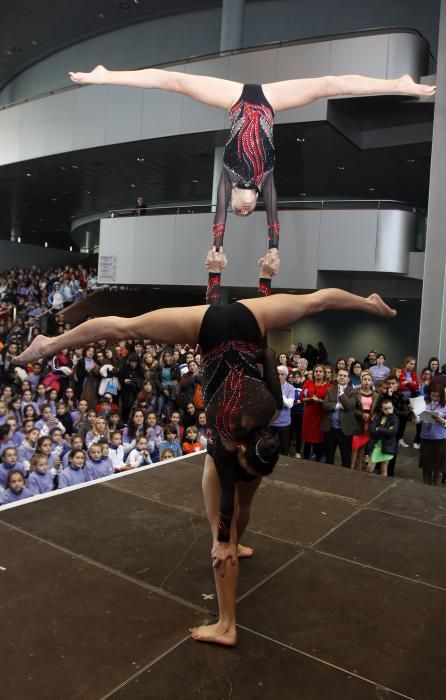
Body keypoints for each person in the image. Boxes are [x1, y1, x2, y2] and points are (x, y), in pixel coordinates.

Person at [14, 250, 396, 647]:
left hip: (251, 318)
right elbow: (227, 493)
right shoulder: (225, 441)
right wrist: (221, 540)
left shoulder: (264, 425)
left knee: (315, 301)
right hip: (214, 327)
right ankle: (227, 624)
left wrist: (258, 284)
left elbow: (268, 348)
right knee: (127, 328)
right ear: (242, 452)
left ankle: (365, 303)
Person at [69, 65, 435, 264]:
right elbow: (274, 216)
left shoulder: (228, 178)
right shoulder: (267, 178)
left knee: (176, 81)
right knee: (328, 83)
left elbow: (218, 218)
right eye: (250, 212)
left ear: (231, 202)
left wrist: (218, 246)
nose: (243, 211)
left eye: (236, 212)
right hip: (272, 102)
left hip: (234, 100)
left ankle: (105, 75)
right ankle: (398, 84)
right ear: (255, 202)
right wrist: (274, 247)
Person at [322, 368, 360, 468]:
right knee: (329, 456)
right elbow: (325, 405)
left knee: (345, 457)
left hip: (345, 430)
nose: (342, 377)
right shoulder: (330, 389)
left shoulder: (353, 391)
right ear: (337, 376)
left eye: (344, 376)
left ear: (348, 379)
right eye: (340, 375)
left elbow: (349, 406)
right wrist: (338, 405)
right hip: (331, 429)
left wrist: (342, 393)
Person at [301, 363, 331, 461]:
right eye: (316, 371)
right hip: (308, 416)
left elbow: (329, 403)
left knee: (319, 441)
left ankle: (317, 462)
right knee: (307, 441)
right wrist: (310, 398)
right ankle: (304, 461)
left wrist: (320, 401)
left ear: (324, 374)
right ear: (313, 373)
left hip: (320, 417)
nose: (318, 373)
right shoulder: (307, 383)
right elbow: (302, 398)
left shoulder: (329, 386)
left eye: (320, 371)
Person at [418, 383, 446, 486]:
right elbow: (417, 420)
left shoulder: (444, 405)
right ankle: (426, 486)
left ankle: (436, 488)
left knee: (439, 468)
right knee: (426, 466)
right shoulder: (425, 403)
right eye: (432, 395)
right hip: (425, 437)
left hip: (440, 439)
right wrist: (414, 413)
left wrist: (441, 420)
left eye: (437, 396)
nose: (435, 397)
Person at [368, 399, 399, 477]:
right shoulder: (377, 416)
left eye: (390, 408)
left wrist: (379, 429)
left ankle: (382, 484)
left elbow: (392, 432)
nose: (388, 410)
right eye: (385, 409)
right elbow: (372, 430)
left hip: (387, 446)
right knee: (370, 467)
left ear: (393, 407)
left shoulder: (395, 419)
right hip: (376, 445)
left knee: (384, 467)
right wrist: (385, 431)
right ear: (381, 409)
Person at [269, 365, 295, 455]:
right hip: (271, 422)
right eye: (278, 374)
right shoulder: (269, 386)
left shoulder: (290, 388)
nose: (279, 376)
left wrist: (279, 394)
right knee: (269, 448)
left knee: (284, 448)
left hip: (284, 423)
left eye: (282, 374)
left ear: (286, 376)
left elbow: (289, 404)